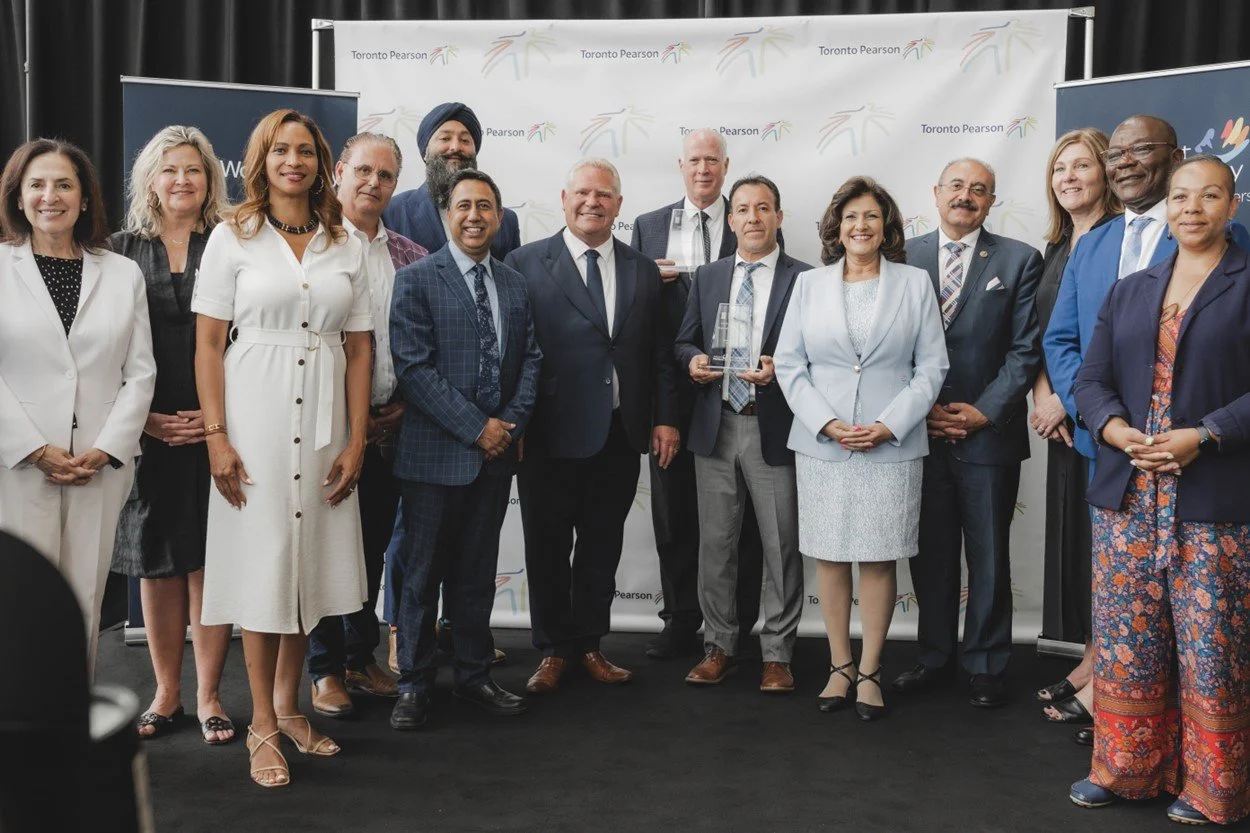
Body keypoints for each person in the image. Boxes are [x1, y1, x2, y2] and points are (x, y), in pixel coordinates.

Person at [1042, 115, 1250, 735]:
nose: (1191, 208)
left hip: (1206, 478)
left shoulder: (1232, 258)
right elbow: (1069, 346)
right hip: (1118, 465)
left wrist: (1203, 435)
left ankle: (1204, 768)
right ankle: (1123, 748)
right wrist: (1103, 422)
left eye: (1207, 196)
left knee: (1206, 639)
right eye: (1117, 152)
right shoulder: (1100, 251)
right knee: (1128, 624)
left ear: (1229, 204)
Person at [192, 109, 373, 788]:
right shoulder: (231, 236)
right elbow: (208, 345)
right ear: (261, 160)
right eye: (280, 150)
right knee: (266, 568)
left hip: (326, 424)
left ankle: (292, 708)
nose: (293, 161)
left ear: (321, 163)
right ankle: (262, 722)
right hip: (255, 422)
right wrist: (217, 437)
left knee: (307, 570)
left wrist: (357, 438)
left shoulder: (344, 241)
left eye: (305, 151)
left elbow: (360, 349)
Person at [775, 177, 948, 719]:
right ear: (837, 226)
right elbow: (789, 364)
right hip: (822, 444)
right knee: (828, 555)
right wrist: (826, 423)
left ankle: (871, 671)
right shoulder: (809, 285)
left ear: (887, 225)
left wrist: (888, 425)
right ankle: (839, 666)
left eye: (871, 216)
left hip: (889, 446)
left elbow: (932, 367)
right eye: (851, 216)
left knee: (877, 556)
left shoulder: (915, 283)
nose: (860, 226)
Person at [505, 158, 678, 694]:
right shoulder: (524, 263)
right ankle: (553, 650)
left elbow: (659, 353)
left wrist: (666, 418)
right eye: (582, 193)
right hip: (548, 435)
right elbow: (513, 353)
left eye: (604, 195)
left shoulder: (642, 269)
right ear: (563, 199)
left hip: (619, 434)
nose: (592, 202)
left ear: (619, 205)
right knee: (547, 547)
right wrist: (515, 424)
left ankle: (589, 645)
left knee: (602, 547)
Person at [388, 169, 542, 730]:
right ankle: (414, 684)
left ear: (498, 217)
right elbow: (413, 369)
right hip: (434, 457)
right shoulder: (416, 279)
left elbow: (530, 360)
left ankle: (475, 677)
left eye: (484, 206)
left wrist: (509, 427)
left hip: (494, 459)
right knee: (421, 577)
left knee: (477, 575)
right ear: (446, 214)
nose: (474, 216)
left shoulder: (514, 283)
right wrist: (478, 428)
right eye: (463, 206)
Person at [0, 139, 156, 669]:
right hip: (17, 466)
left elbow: (140, 372)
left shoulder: (122, 273)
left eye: (64, 185)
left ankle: (72, 714)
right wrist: (33, 448)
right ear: (18, 197)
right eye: (37, 185)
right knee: (19, 601)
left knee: (83, 597)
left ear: (85, 198)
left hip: (97, 467)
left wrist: (107, 448)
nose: (51, 196)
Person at [892, 158, 1042, 709]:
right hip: (920, 432)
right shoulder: (901, 256)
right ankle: (934, 657)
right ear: (936, 193)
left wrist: (983, 412)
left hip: (989, 435)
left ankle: (986, 664)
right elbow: (886, 344)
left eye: (979, 190)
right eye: (956, 186)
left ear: (991, 202)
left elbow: (1026, 350)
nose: (965, 196)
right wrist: (917, 408)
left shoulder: (1019, 260)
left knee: (989, 557)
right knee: (930, 553)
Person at [380, 102, 522, 669]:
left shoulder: (504, 223)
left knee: (472, 552)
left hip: (485, 417)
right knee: (411, 539)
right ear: (425, 148)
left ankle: (460, 641)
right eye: (445, 136)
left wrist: (500, 420)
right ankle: (402, 636)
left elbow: (508, 318)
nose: (456, 146)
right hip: (413, 408)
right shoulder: (396, 208)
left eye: (465, 138)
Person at [108, 125, 236, 743]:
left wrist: (216, 422)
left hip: (221, 429)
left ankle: (210, 694)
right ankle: (167, 693)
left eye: (193, 169)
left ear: (210, 179)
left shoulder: (233, 243)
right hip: (146, 432)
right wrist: (145, 420)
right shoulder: (118, 251)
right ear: (149, 181)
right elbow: (100, 350)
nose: (181, 179)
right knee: (156, 564)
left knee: (210, 562)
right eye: (169, 169)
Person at [303, 132, 426, 719]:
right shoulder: (311, 247)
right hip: (326, 426)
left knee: (371, 547)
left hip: (391, 426)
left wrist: (405, 405)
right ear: (339, 174)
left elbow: (421, 341)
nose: (373, 183)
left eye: (385, 175)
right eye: (363, 171)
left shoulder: (411, 255)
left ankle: (359, 656)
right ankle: (323, 668)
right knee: (325, 547)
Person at [630, 128, 765, 660]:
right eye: (694, 160)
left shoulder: (748, 219)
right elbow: (636, 321)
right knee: (674, 513)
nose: (703, 169)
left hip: (736, 394)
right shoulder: (648, 227)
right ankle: (680, 618)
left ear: (725, 166)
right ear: (680, 166)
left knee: (742, 517)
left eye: (712, 160)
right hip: (670, 394)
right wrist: (646, 282)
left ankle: (737, 624)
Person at [673, 175, 810, 693]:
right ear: (730, 221)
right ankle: (719, 646)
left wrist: (785, 369)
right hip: (716, 425)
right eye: (744, 209)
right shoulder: (708, 277)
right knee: (716, 545)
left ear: (779, 217)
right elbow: (683, 341)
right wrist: (693, 361)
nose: (754, 217)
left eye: (764, 208)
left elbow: (822, 352)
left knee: (781, 546)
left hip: (775, 427)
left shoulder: (806, 279)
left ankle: (777, 653)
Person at [1029, 128, 1121, 730]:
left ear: (1106, 173)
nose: (1069, 177)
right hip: (1062, 422)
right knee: (1083, 550)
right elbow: (1048, 334)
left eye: (1082, 165)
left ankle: (1110, 670)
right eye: (1060, 168)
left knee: (1109, 550)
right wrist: (1042, 393)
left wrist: (1069, 399)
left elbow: (1113, 337)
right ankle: (1093, 656)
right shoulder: (1057, 247)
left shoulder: (1124, 237)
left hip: (1102, 417)